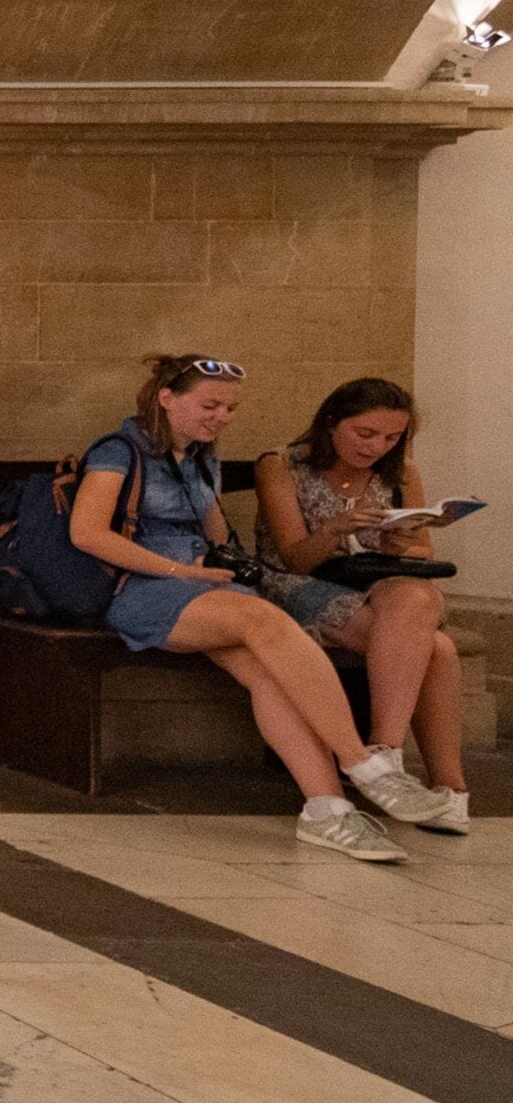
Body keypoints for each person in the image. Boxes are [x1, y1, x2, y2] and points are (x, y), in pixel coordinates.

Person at [66, 354, 460, 863]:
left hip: (208, 588)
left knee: (270, 669)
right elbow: (87, 533)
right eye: (210, 405)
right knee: (265, 618)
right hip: (144, 590)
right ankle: (365, 765)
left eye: (230, 408)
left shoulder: (201, 456)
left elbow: (213, 533)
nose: (222, 417)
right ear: (167, 397)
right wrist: (182, 571)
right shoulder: (118, 450)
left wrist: (225, 564)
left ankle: (327, 808)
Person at [251, 378, 470, 829]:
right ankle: (449, 788)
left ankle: (384, 752)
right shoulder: (282, 466)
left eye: (391, 438)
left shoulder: (401, 473)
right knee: (439, 649)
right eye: (365, 434)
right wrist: (334, 529)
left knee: (416, 592)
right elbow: (295, 557)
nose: (377, 447)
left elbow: (422, 553)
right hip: (299, 582)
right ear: (332, 422)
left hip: (377, 584)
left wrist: (398, 543)